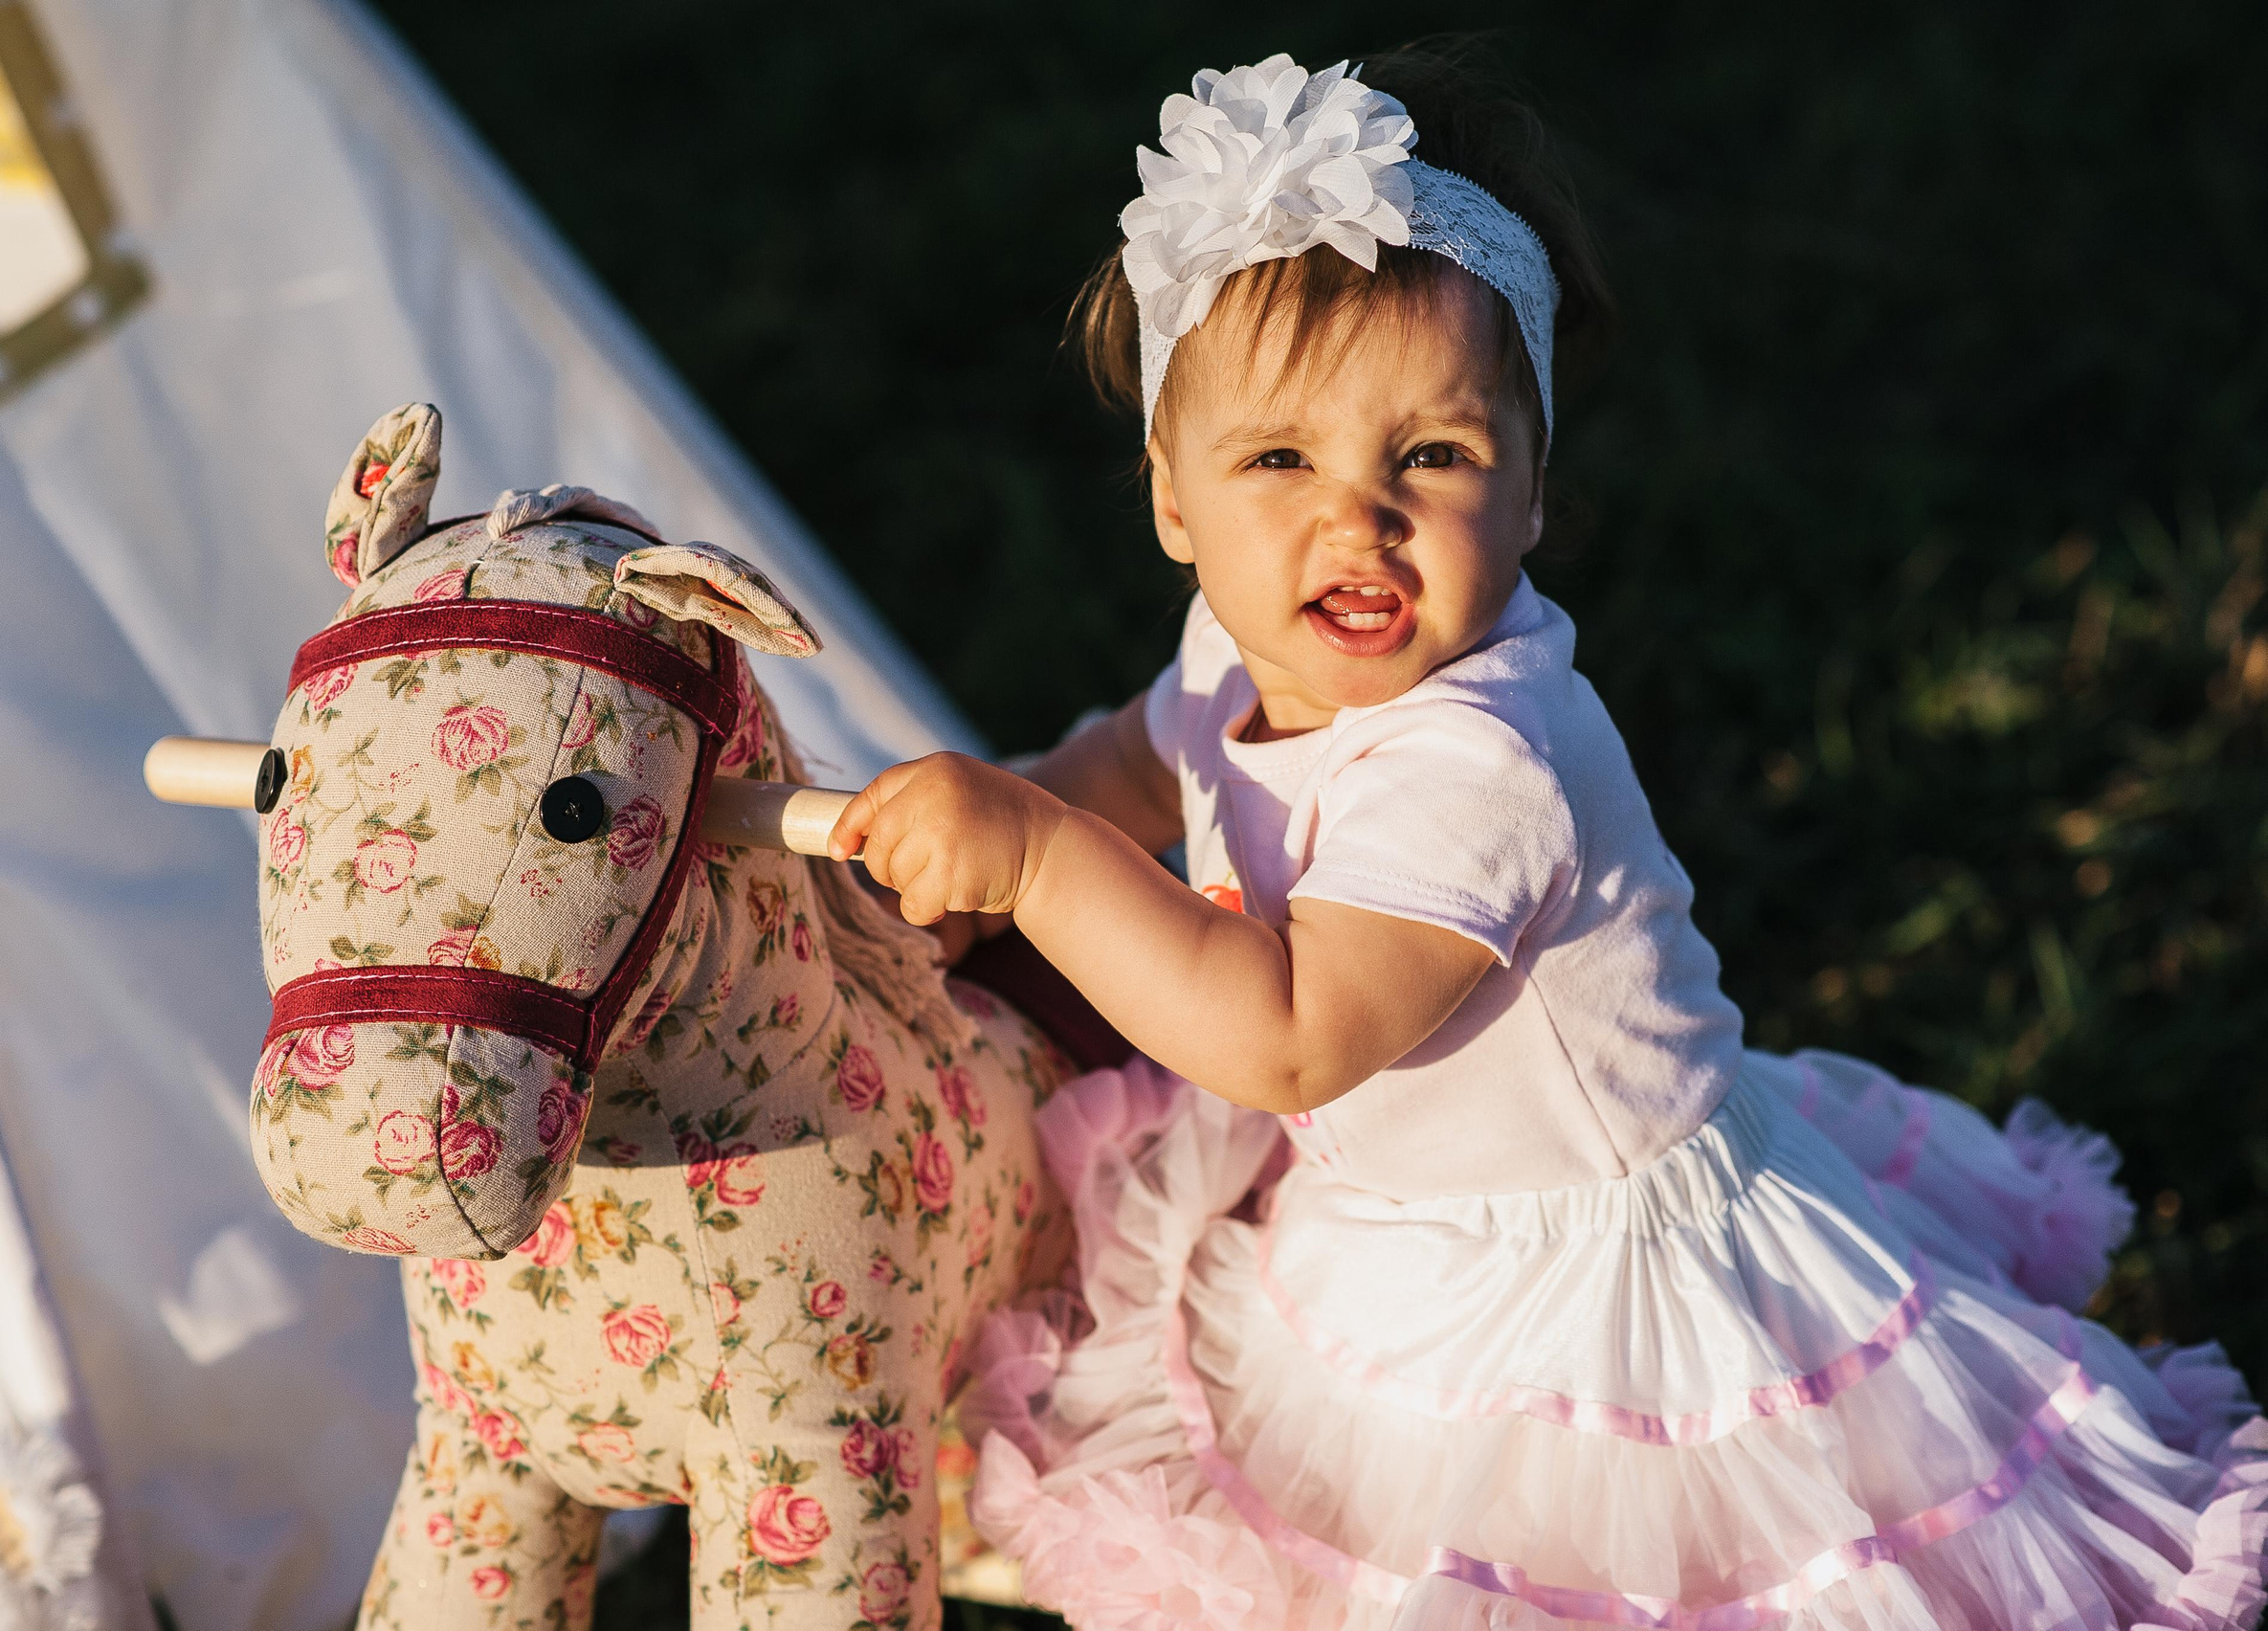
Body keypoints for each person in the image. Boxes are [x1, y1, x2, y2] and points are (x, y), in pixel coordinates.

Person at [827, 44, 2268, 1631]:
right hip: (1415, 1238)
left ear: (1531, 492)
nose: (1354, 519)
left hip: (1614, 1311)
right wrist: (998, 834)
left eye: (1430, 458)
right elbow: (1132, 756)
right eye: (1279, 460)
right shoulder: (1239, 650)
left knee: (1628, 1586)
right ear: (1172, 496)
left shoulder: (1487, 765)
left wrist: (1032, 864)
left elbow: (1290, 1035)